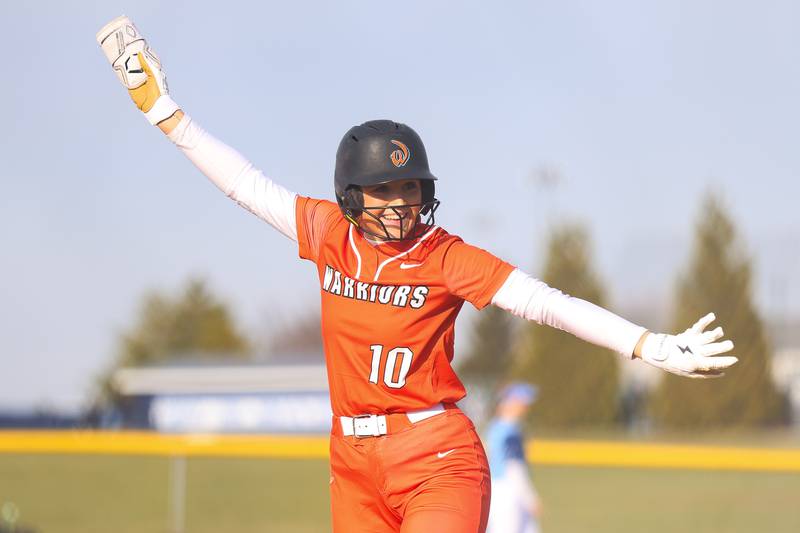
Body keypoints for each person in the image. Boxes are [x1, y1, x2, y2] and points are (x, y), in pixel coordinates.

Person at [96, 16, 738, 533]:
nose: (400, 201)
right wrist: (164, 112)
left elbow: (546, 303)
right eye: (383, 189)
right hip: (351, 463)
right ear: (351, 196)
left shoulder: (444, 255)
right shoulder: (326, 233)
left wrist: (649, 345)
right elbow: (242, 183)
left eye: (410, 187)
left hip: (436, 457)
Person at [486, 383, 541, 533]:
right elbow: (512, 467)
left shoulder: (497, 427)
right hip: (508, 491)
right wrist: (529, 496)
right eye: (523, 402)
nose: (526, 407)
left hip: (502, 489)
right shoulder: (509, 432)